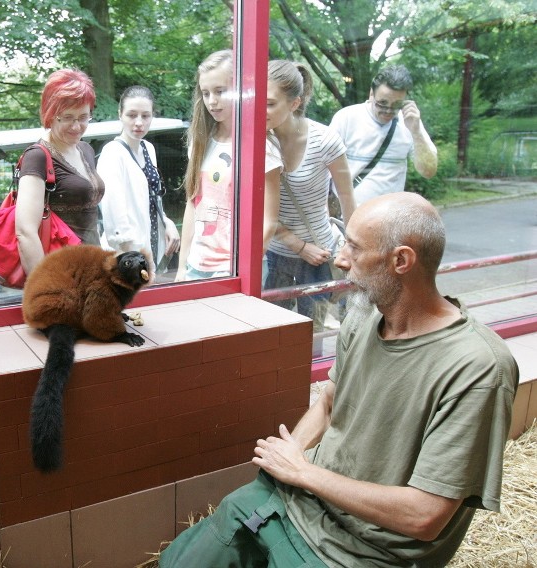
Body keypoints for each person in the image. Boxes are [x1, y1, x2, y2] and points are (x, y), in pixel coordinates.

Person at [159, 192, 519, 568]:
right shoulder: (364, 316)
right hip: (297, 501)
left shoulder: (478, 369)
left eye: (354, 247)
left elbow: (423, 517)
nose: (340, 258)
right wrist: (289, 458)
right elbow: (330, 402)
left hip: (360, 551)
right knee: (179, 561)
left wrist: (304, 473)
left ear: (401, 260)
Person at [263, 61, 355, 332]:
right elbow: (254, 208)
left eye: (270, 103)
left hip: (320, 256)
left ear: (294, 103)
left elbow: (348, 199)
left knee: (312, 335)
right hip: (276, 254)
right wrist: (296, 245)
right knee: (273, 335)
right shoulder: (255, 140)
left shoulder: (324, 140)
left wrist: (353, 248)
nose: (261, 111)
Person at [15, 69, 105, 279]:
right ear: (50, 113)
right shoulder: (37, 156)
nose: (76, 126)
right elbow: (25, 232)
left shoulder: (86, 150)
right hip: (62, 275)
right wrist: (47, 289)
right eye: (67, 118)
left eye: (84, 117)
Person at [96, 85, 180, 276]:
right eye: (132, 115)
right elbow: (114, 216)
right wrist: (134, 260)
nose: (139, 123)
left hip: (153, 245)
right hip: (128, 256)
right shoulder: (113, 153)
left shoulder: (148, 148)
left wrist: (167, 222)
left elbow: (151, 198)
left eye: (145, 115)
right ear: (120, 114)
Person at [330, 64, 438, 206]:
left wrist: (416, 131)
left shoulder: (410, 123)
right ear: (371, 94)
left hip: (388, 220)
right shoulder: (346, 118)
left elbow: (428, 171)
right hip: (347, 218)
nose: (388, 111)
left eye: (397, 105)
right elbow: (322, 168)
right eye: (382, 103)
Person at [175, 50, 235, 282]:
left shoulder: (255, 143)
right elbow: (193, 202)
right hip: (197, 263)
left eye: (220, 91)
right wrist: (182, 266)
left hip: (232, 266)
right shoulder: (200, 140)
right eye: (206, 92)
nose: (212, 101)